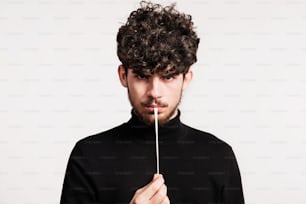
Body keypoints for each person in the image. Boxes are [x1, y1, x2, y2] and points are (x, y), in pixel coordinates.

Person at [60, 1, 245, 204]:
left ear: (187, 79)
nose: (155, 92)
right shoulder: (88, 157)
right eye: (142, 76)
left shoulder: (219, 158)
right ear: (123, 76)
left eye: (168, 77)